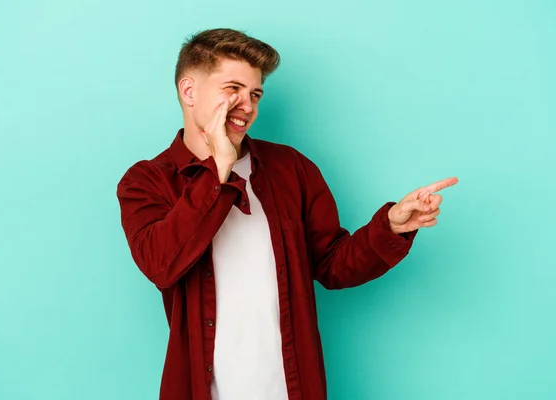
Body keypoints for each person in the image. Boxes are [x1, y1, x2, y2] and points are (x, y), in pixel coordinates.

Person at [116, 28, 458, 400]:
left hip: (291, 388)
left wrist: (391, 226)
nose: (247, 105)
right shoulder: (146, 181)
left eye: (255, 94)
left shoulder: (291, 169)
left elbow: (332, 264)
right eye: (233, 89)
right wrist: (218, 169)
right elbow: (161, 264)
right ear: (189, 91)